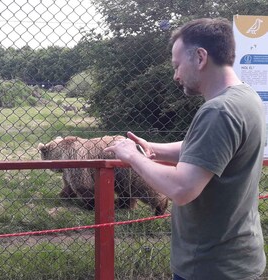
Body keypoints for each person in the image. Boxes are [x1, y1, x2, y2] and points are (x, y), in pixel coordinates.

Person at [105, 18, 266, 280]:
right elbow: (209, 148)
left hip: (210, 266)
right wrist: (153, 149)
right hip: (239, 257)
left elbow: (182, 189)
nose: (175, 75)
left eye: (177, 65)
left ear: (200, 57)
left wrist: (132, 156)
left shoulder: (218, 111)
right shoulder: (246, 98)